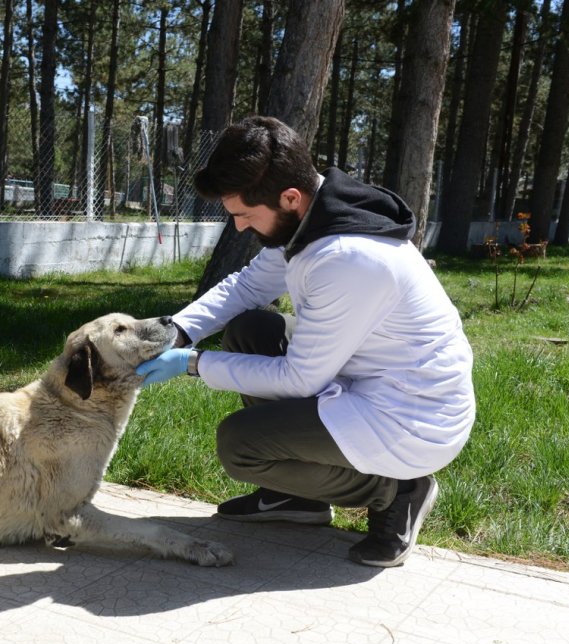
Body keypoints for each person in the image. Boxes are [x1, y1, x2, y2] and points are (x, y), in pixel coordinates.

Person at [136, 116, 475, 568]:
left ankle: (398, 489)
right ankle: (297, 497)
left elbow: (299, 379)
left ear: (290, 198)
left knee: (239, 445)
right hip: (372, 372)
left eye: (244, 215)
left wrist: (193, 363)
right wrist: (176, 331)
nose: (240, 228)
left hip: (411, 415)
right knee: (251, 329)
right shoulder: (312, 217)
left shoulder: (348, 257)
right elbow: (247, 287)